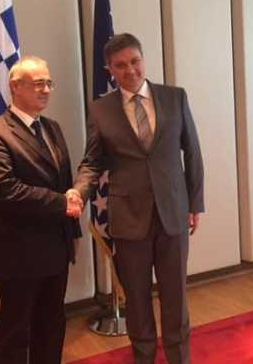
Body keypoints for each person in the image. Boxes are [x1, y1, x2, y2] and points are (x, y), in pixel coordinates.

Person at [69, 33, 204, 364]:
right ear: (110, 70)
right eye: (120, 65)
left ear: (143, 59)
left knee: (175, 298)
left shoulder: (175, 97)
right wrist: (79, 191)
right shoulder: (101, 109)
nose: (130, 70)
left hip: (173, 213)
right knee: (138, 301)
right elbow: (92, 162)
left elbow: (193, 152)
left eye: (134, 61)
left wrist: (195, 203)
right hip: (128, 219)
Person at [0, 56, 83, 364]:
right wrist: (62, 204)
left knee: (52, 326)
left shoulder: (52, 128)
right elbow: (5, 190)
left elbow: (64, 182)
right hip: (19, 253)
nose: (46, 90)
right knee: (15, 332)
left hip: (57, 248)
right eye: (38, 84)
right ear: (15, 87)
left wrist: (73, 231)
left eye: (49, 83)